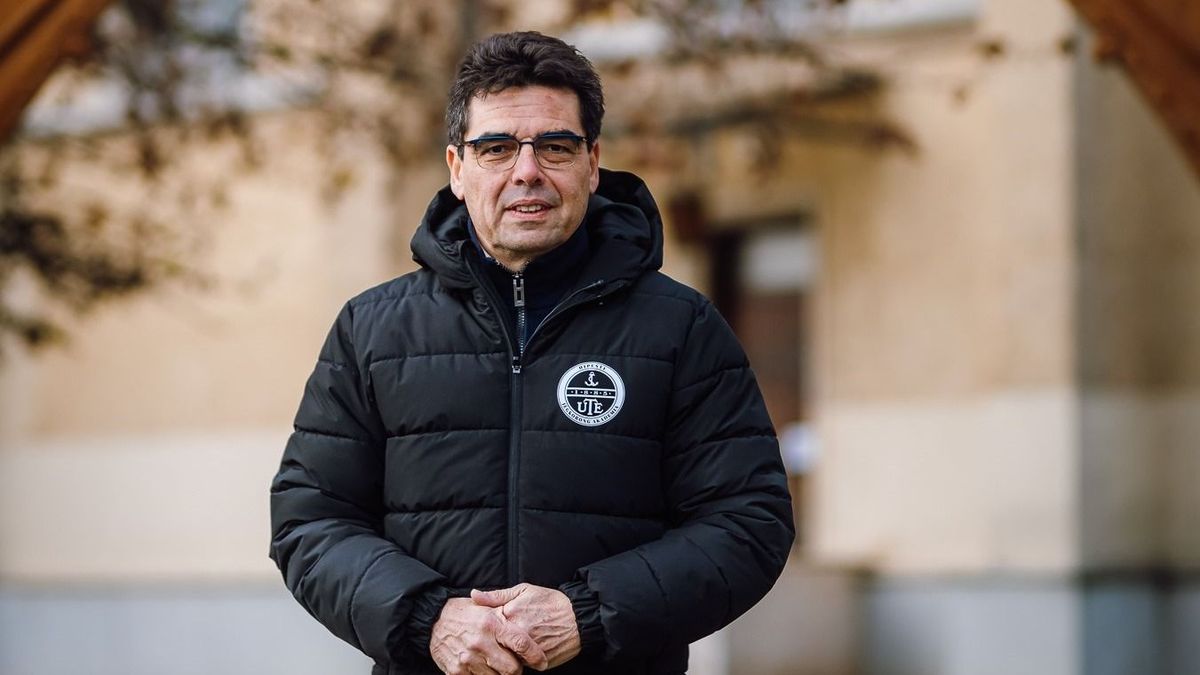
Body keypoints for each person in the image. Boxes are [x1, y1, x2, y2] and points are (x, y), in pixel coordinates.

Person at [269, 31, 794, 675]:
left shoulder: (680, 328)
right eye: (495, 148)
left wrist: (589, 615)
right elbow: (310, 521)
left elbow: (748, 522)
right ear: (456, 169)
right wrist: (427, 619)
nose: (527, 172)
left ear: (592, 163)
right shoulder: (373, 330)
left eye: (555, 146)